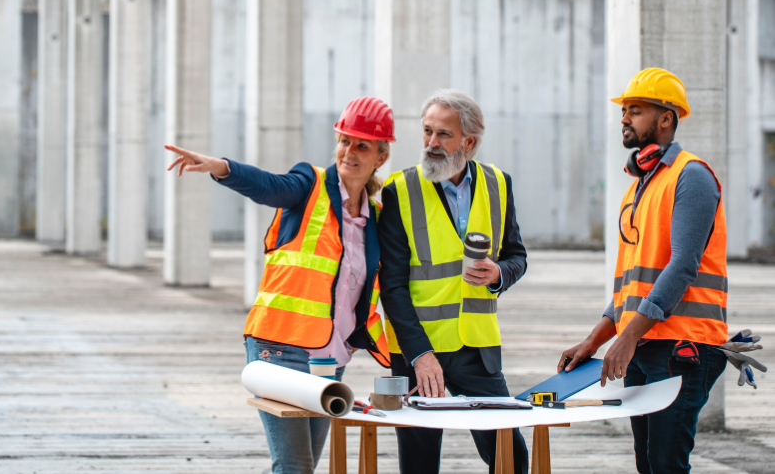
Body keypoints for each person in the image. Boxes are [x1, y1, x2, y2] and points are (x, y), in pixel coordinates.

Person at [165, 96, 394, 474]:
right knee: (294, 466)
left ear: (380, 157)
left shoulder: (377, 219)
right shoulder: (309, 186)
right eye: (343, 140)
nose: (348, 151)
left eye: (361, 145)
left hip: (329, 360)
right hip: (277, 348)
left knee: (306, 465)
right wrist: (223, 168)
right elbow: (269, 186)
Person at [558, 67, 729, 474]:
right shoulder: (641, 186)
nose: (624, 118)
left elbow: (684, 266)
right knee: (648, 465)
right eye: (624, 110)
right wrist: (596, 339)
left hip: (680, 348)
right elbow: (631, 285)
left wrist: (627, 338)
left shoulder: (692, 177)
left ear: (665, 118)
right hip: (646, 346)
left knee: (665, 466)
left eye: (634, 110)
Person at [378, 89, 529, 474]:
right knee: (419, 464)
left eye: (443, 134)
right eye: (427, 131)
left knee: (511, 456)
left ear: (469, 142)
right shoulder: (399, 191)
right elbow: (391, 287)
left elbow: (517, 257)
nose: (431, 143)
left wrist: (499, 274)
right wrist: (419, 355)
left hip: (476, 348)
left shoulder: (499, 184)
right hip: (417, 352)